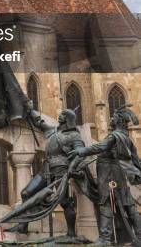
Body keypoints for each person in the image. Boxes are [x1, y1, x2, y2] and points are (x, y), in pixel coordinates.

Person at [8, 106, 92, 238]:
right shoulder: (53, 131)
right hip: (46, 169)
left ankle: (71, 233)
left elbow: (80, 153)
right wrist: (28, 108)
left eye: (63, 115)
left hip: (61, 170)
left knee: (64, 202)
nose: (60, 116)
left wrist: (71, 168)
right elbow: (39, 122)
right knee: (26, 193)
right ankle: (22, 226)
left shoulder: (74, 135)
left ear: (68, 119)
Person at [70, 105, 141, 245]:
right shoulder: (126, 137)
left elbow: (101, 147)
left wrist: (81, 151)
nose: (111, 119)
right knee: (128, 204)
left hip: (108, 173)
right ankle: (139, 235)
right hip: (118, 172)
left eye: (114, 117)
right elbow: (135, 158)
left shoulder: (114, 136)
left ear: (119, 120)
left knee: (105, 202)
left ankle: (106, 237)